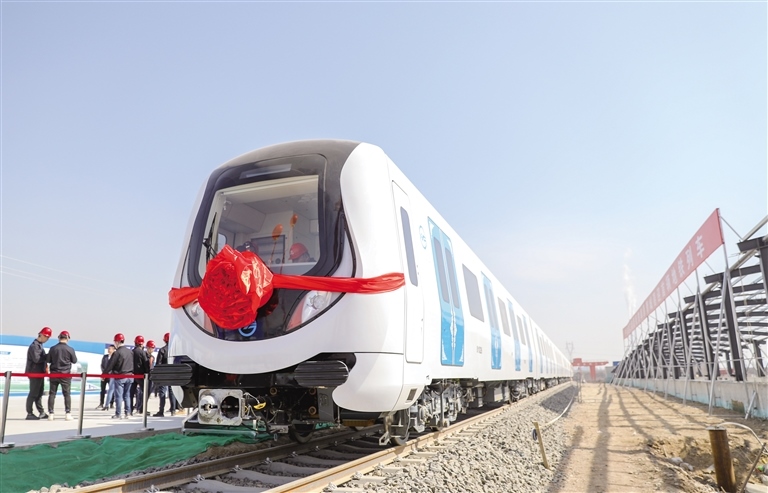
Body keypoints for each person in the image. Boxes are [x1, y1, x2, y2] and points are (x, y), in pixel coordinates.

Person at [46, 331, 78, 421]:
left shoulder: (53, 348)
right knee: (67, 394)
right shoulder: (70, 349)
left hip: (54, 373)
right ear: (67, 338)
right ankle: (68, 413)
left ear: (59, 337)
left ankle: (51, 414)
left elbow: (48, 360)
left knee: (52, 394)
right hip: (65, 374)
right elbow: (74, 360)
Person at [25, 327, 52, 420]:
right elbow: (37, 359)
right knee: (33, 393)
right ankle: (29, 413)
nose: (47, 339)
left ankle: (41, 412)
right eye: (46, 337)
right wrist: (48, 356)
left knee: (39, 393)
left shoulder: (39, 345)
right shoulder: (34, 346)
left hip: (39, 373)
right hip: (34, 373)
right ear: (41, 335)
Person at [154, 332, 183, 416]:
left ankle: (161, 411)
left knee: (162, 392)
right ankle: (173, 410)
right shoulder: (176, 351)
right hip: (173, 374)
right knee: (172, 392)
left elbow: (158, 364)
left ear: (165, 340)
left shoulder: (162, 350)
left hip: (164, 374)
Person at [105, 333, 133, 419]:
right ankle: (128, 413)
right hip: (130, 376)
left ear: (117, 342)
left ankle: (118, 414)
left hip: (120, 377)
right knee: (127, 395)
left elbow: (110, 364)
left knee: (119, 396)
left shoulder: (117, 353)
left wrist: (104, 374)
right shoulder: (130, 352)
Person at [131, 335, 150, 415]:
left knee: (131, 393)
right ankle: (142, 409)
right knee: (145, 392)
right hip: (141, 375)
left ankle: (129, 410)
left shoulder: (132, 352)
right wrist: (147, 373)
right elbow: (146, 364)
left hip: (132, 375)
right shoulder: (142, 352)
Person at [97, 344, 116, 410]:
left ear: (113, 350)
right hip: (104, 376)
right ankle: (101, 403)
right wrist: (104, 373)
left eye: (110, 349)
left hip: (111, 376)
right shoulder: (105, 357)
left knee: (111, 390)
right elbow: (102, 365)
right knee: (102, 390)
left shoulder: (115, 357)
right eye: (108, 349)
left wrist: (109, 373)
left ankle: (111, 403)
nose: (108, 350)